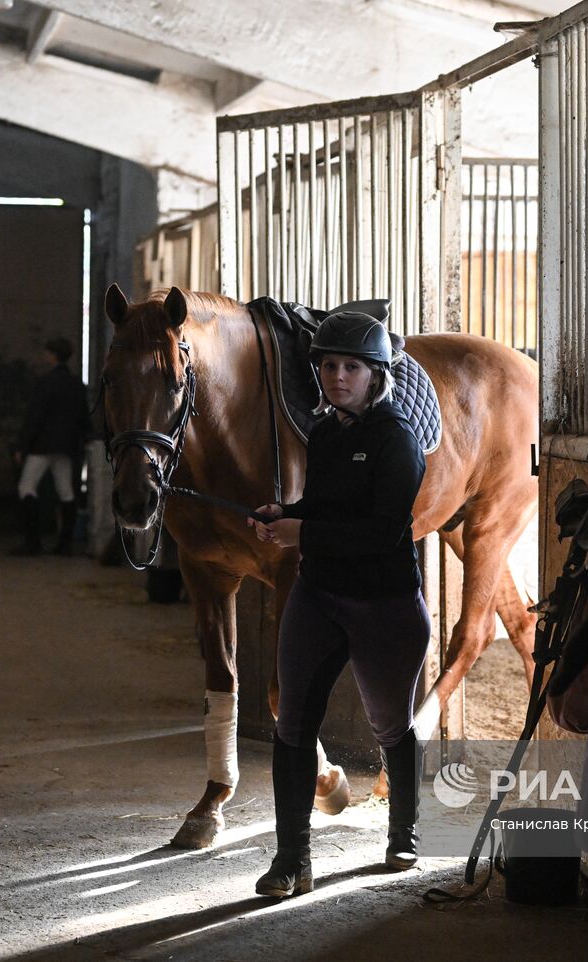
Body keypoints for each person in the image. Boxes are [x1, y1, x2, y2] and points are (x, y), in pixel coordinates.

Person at [246, 312, 429, 898]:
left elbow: (382, 533)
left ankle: (404, 832)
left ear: (377, 375)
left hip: (384, 602)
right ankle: (291, 860)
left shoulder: (397, 439)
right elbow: (324, 509)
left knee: (390, 723)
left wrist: (306, 534)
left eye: (351, 366)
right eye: (328, 365)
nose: (337, 376)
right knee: (293, 722)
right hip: (319, 594)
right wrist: (289, 515)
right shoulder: (325, 434)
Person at [11, 337, 89, 556]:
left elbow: (35, 417)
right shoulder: (76, 385)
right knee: (66, 492)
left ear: (53, 355)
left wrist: (22, 446)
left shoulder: (45, 383)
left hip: (42, 446)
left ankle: (32, 541)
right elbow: (83, 416)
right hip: (66, 447)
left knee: (26, 487)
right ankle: (65, 543)